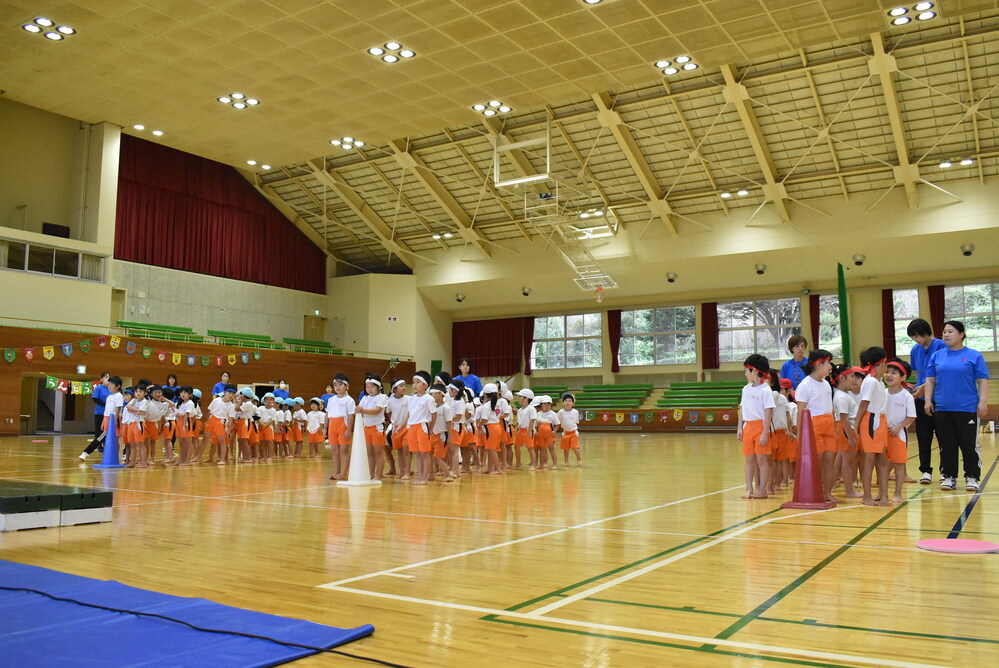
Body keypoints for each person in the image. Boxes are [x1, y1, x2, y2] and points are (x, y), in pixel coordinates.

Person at [925, 320, 990, 491]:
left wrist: (982, 402)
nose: (946, 334)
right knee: (946, 444)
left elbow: (982, 380)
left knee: (968, 444)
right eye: (944, 331)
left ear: (961, 334)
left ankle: (972, 476)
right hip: (943, 408)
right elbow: (930, 380)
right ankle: (948, 476)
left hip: (967, 408)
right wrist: (927, 400)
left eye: (950, 331)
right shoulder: (937, 356)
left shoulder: (974, 356)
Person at [794, 349, 838, 503]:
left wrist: (835, 426)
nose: (831, 366)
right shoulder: (805, 385)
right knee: (816, 460)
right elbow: (800, 411)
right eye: (828, 363)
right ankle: (816, 491)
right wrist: (800, 434)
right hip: (813, 425)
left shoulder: (826, 384)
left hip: (828, 424)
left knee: (830, 458)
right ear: (819, 364)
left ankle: (827, 492)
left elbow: (829, 406)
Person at [907, 318, 946, 484]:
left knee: (944, 437)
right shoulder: (915, 350)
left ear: (925, 333)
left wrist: (924, 386)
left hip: (939, 398)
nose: (916, 339)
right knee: (924, 436)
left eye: (917, 335)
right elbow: (918, 373)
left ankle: (946, 471)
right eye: (913, 337)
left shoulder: (942, 346)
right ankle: (925, 471)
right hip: (921, 399)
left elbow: (940, 373)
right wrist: (916, 389)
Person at [855, 347, 889, 506]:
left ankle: (883, 496)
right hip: (870, 421)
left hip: (881, 421)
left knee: (882, 460)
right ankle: (866, 495)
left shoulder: (879, 382)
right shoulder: (869, 381)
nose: (887, 366)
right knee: (868, 460)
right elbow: (863, 405)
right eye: (885, 363)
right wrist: (856, 425)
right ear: (880, 363)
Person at [738, 354, 774, 499]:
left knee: (762, 460)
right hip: (748, 427)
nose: (745, 373)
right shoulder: (746, 389)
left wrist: (765, 432)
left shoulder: (765, 390)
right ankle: (748, 488)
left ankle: (762, 490)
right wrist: (740, 427)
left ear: (754, 371)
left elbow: (768, 412)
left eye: (747, 370)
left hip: (761, 427)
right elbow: (742, 408)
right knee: (749, 460)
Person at [885, 358, 917, 504]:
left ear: (903, 377)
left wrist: (898, 427)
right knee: (882, 466)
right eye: (887, 372)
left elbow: (911, 416)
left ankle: (897, 494)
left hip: (898, 435)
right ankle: (883, 493)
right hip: (882, 434)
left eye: (893, 373)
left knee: (898, 466)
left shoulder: (906, 396)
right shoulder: (882, 393)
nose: (888, 375)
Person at [831, 364, 862, 499]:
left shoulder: (844, 394)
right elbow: (844, 419)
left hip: (845, 429)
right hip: (846, 429)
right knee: (847, 462)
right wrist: (851, 437)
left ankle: (830, 486)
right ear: (842, 378)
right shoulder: (842, 397)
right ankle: (849, 490)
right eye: (851, 377)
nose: (854, 380)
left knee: (840, 460)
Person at [357, 375, 389, 480]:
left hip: (377, 428)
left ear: (379, 387)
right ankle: (370, 474)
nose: (369, 389)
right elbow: (359, 409)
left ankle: (378, 474)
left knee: (379, 453)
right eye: (367, 387)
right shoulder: (365, 398)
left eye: (372, 386)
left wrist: (362, 410)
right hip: (366, 428)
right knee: (369, 453)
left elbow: (376, 411)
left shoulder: (383, 397)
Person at [407, 371, 435, 485]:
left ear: (425, 385)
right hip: (412, 427)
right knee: (417, 453)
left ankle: (425, 477)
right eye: (413, 382)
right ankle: (419, 476)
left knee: (425, 453)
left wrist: (431, 428)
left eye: (418, 382)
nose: (414, 385)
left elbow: (434, 414)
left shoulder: (429, 399)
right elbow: (409, 413)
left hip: (422, 426)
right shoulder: (411, 398)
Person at [326, 373, 356, 480]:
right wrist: (325, 428)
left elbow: (351, 415)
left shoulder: (349, 400)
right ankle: (337, 471)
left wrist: (349, 429)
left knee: (344, 450)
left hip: (343, 425)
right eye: (335, 385)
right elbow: (327, 414)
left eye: (340, 385)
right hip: (332, 425)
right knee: (334, 450)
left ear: (347, 386)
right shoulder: (331, 400)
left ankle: (344, 473)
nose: (337, 387)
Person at [78, 372, 111, 461]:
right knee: (99, 432)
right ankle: (97, 446)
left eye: (109, 377)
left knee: (107, 433)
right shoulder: (99, 388)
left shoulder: (112, 389)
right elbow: (95, 398)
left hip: (109, 415)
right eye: (105, 377)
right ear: (101, 379)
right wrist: (106, 405)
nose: (108, 379)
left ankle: (105, 448)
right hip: (100, 413)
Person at [386, 379, 410, 478]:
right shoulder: (390, 401)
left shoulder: (408, 399)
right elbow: (389, 413)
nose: (404, 387)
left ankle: (407, 472)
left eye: (405, 385)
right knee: (399, 451)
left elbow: (409, 413)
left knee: (406, 450)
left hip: (407, 427)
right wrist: (395, 423)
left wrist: (402, 425)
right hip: (396, 428)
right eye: (401, 386)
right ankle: (401, 472)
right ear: (395, 388)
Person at [557, 392, 582, 467]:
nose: (568, 403)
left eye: (570, 401)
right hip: (565, 433)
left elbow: (576, 422)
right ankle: (566, 462)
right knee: (566, 448)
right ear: (563, 403)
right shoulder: (560, 412)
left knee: (575, 447)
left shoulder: (575, 412)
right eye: (566, 401)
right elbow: (558, 422)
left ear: (573, 403)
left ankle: (579, 459)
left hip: (573, 433)